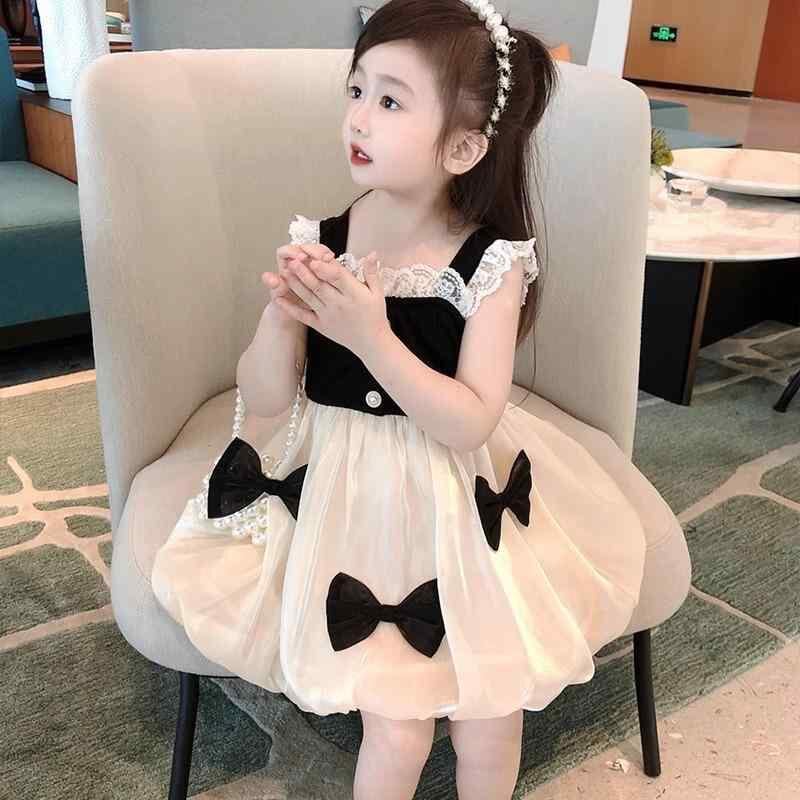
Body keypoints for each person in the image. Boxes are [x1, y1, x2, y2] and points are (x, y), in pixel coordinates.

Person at [151, 1, 651, 798]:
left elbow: (471, 420)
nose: (358, 117)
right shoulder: (326, 235)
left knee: (490, 714)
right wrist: (282, 318)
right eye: (356, 90)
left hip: (453, 492)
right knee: (397, 724)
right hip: (346, 496)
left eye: (390, 101)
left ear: (462, 147)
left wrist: (371, 334)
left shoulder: (490, 264)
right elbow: (267, 399)